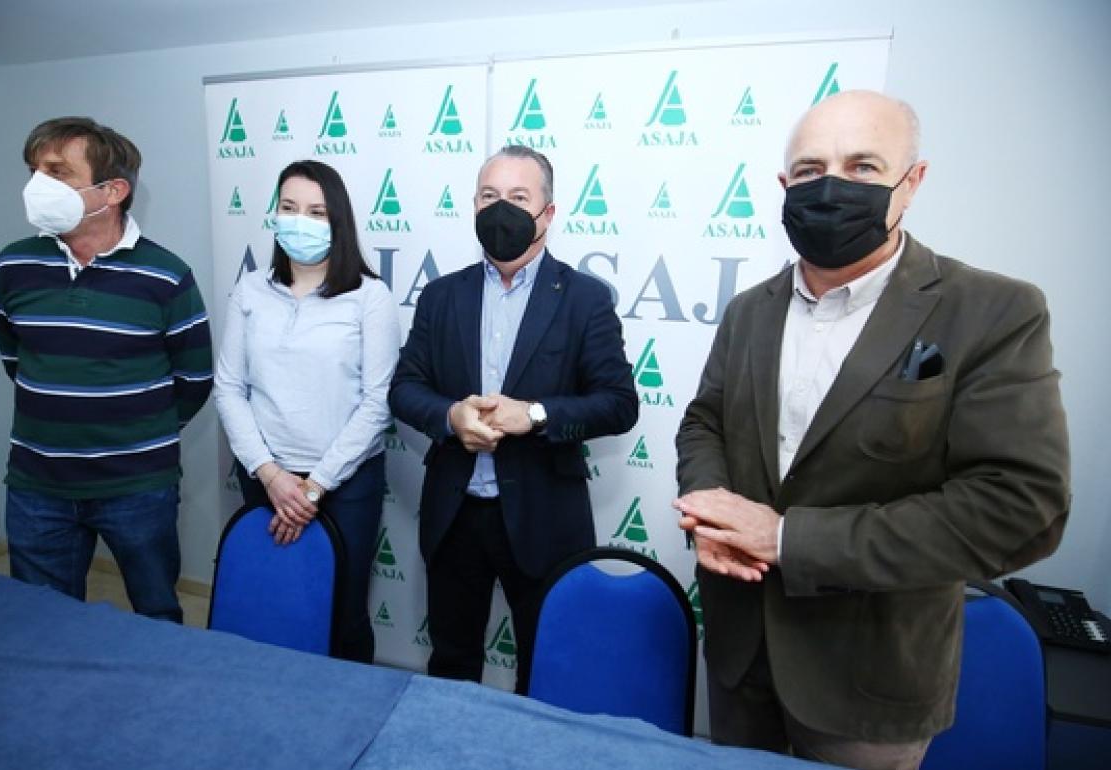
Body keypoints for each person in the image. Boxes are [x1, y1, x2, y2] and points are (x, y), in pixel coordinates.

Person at [673, 89, 1071, 770]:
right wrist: (712, 511)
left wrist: (787, 539)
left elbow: (1019, 506)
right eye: (810, 170)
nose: (831, 186)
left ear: (911, 182)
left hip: (867, 682)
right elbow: (704, 420)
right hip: (740, 655)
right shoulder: (749, 311)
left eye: (862, 167)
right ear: (785, 186)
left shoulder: (994, 311)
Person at [389, 145, 638, 685]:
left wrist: (536, 415)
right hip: (455, 516)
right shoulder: (440, 296)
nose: (500, 209)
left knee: (548, 670)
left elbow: (619, 404)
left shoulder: (585, 299)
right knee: (451, 668)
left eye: (518, 198)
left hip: (545, 516)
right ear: (474, 207)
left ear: (548, 213)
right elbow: (404, 389)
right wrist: (451, 416)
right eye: (489, 196)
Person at [0, 117, 212, 623]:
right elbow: (14, 356)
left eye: (57, 172)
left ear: (112, 191)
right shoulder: (13, 265)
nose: (37, 184)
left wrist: (139, 431)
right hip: (38, 484)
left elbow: (194, 379)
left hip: (138, 486)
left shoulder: (166, 274)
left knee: (155, 615)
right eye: (33, 171)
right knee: (41, 621)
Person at [215, 159, 400, 664]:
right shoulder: (251, 289)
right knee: (274, 606)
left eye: (317, 212)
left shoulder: (370, 297)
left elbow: (377, 402)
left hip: (345, 484)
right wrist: (271, 475)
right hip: (265, 478)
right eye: (289, 207)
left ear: (338, 220)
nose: (301, 221)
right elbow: (229, 387)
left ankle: (349, 705)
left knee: (342, 615)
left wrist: (314, 487)